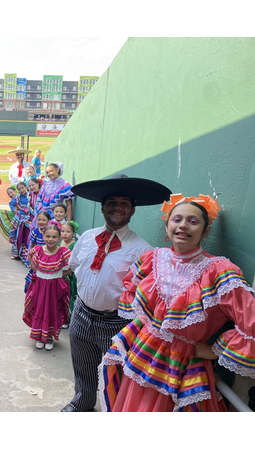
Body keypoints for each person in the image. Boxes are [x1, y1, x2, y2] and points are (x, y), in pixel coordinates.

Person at [98, 193, 255, 412]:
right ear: (167, 226)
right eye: (177, 219)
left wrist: (215, 351)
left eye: (193, 221)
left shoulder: (219, 270)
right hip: (142, 351)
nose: (183, 225)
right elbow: (132, 292)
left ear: (205, 230)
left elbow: (250, 322)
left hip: (182, 363)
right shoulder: (152, 259)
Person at [62, 173, 171, 412]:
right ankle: (82, 402)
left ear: (132, 211)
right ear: (102, 208)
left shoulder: (143, 251)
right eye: (111, 202)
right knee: (82, 363)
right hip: (81, 313)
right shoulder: (87, 237)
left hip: (117, 322)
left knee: (118, 373)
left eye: (124, 203)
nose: (117, 207)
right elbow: (73, 267)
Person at [23, 223, 72, 351]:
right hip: (39, 286)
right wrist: (34, 267)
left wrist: (64, 274)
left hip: (55, 288)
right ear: (43, 236)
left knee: (53, 310)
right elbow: (29, 255)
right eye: (48, 236)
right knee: (39, 309)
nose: (51, 239)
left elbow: (74, 264)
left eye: (54, 237)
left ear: (59, 238)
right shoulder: (38, 250)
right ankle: (39, 336)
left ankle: (49, 337)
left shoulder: (64, 252)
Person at [24, 210, 51, 293]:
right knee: (33, 280)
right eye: (39, 220)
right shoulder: (35, 232)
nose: (41, 222)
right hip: (37, 259)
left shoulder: (50, 233)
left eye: (44, 220)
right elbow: (32, 247)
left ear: (48, 221)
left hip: (48, 260)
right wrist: (31, 262)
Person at [9, 181, 34, 265]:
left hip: (30, 218)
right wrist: (16, 211)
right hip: (20, 219)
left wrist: (29, 210)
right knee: (19, 235)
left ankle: (27, 254)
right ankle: (16, 253)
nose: (21, 190)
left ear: (26, 187)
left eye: (22, 188)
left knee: (27, 235)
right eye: (19, 189)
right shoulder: (17, 198)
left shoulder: (30, 195)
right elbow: (11, 204)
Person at [60, 221, 79, 328]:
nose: (65, 234)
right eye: (63, 231)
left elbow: (76, 261)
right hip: (58, 273)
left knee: (69, 295)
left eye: (68, 231)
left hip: (70, 275)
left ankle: (67, 319)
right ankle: (59, 317)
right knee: (59, 296)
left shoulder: (75, 245)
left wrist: (69, 272)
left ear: (73, 233)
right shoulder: (58, 242)